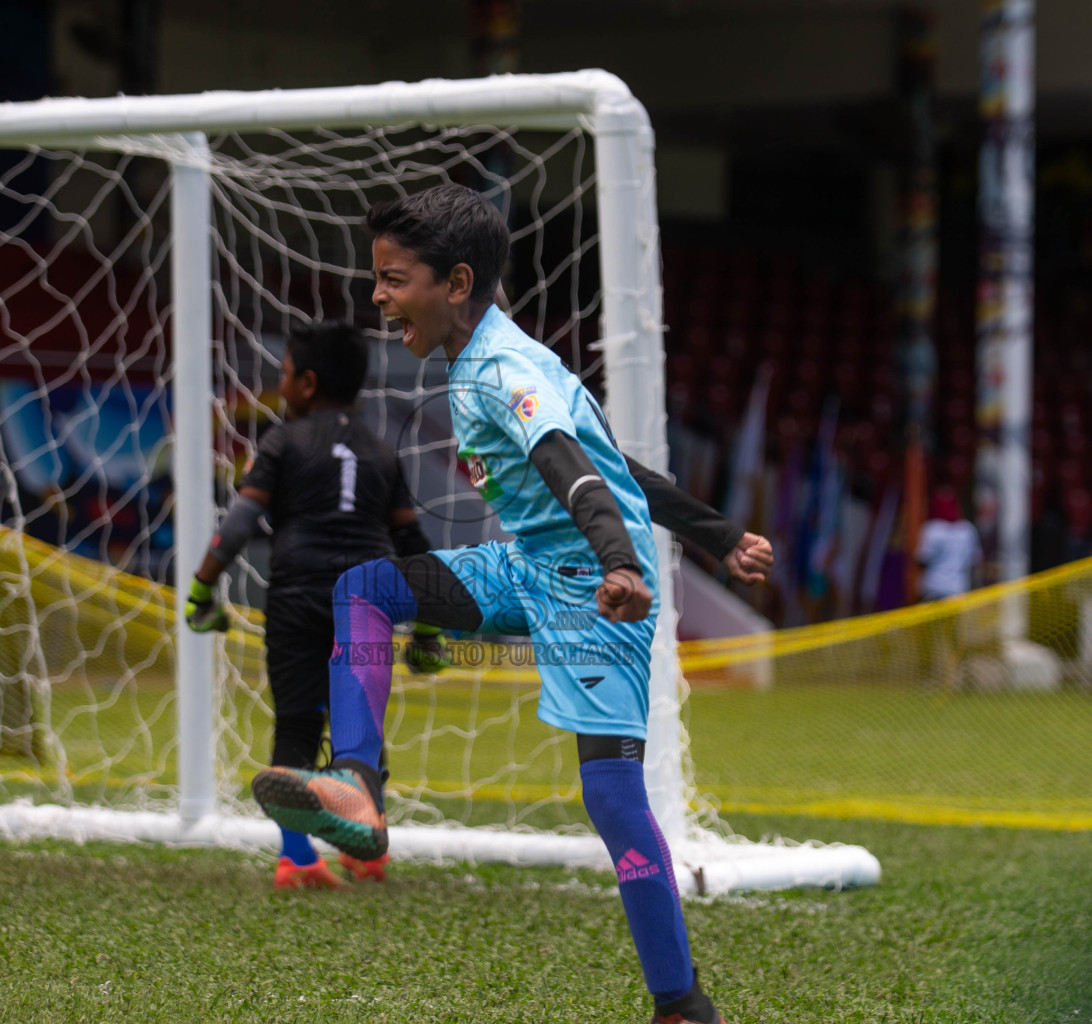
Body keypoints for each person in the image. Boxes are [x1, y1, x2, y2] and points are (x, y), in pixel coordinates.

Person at [250, 184, 774, 1024]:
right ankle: (356, 785)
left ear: (456, 283)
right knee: (368, 589)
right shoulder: (497, 353)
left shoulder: (502, 370)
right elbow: (615, 464)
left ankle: (682, 1006)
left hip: (594, 588)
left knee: (611, 798)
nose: (378, 299)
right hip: (528, 564)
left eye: (393, 280)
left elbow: (578, 471)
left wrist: (618, 563)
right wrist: (716, 534)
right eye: (376, 279)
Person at [183, 320, 446, 890]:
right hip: (367, 602)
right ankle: (369, 850)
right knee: (361, 728)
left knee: (298, 725)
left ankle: (298, 859)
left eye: (283, 376)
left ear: (305, 382)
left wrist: (202, 591)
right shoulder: (381, 453)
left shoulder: (282, 442)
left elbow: (237, 528)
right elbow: (414, 548)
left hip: (298, 597)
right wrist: (428, 631)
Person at [915, 486, 980, 602]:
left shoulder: (933, 529)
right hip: (958, 589)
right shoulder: (967, 530)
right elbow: (974, 561)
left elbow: (921, 558)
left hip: (933, 588)